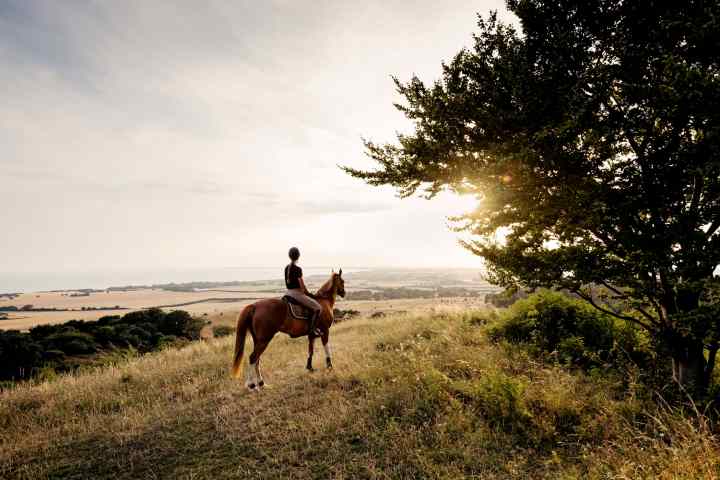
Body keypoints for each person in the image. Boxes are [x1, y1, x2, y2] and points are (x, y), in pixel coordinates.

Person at [284, 247, 323, 337]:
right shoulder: (298, 269)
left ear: (289, 256)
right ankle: (312, 331)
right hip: (296, 294)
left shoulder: (286, 268)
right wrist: (309, 294)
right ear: (298, 256)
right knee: (318, 308)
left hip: (287, 293)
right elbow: (302, 286)